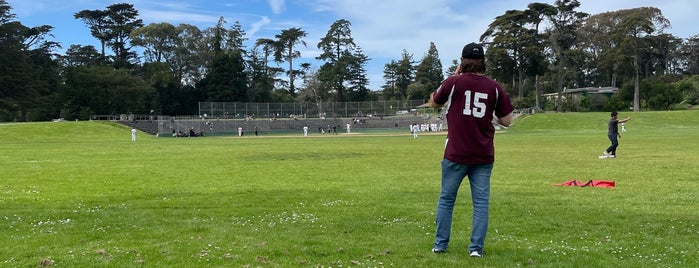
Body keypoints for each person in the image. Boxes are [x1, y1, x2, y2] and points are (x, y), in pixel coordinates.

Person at [427, 42, 514, 257]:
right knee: (481, 203)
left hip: (456, 153)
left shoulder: (453, 82)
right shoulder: (494, 87)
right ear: (483, 62)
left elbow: (434, 103)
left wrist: (454, 77)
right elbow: (507, 121)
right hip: (483, 155)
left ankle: (440, 245)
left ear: (462, 60)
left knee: (447, 199)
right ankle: (476, 249)